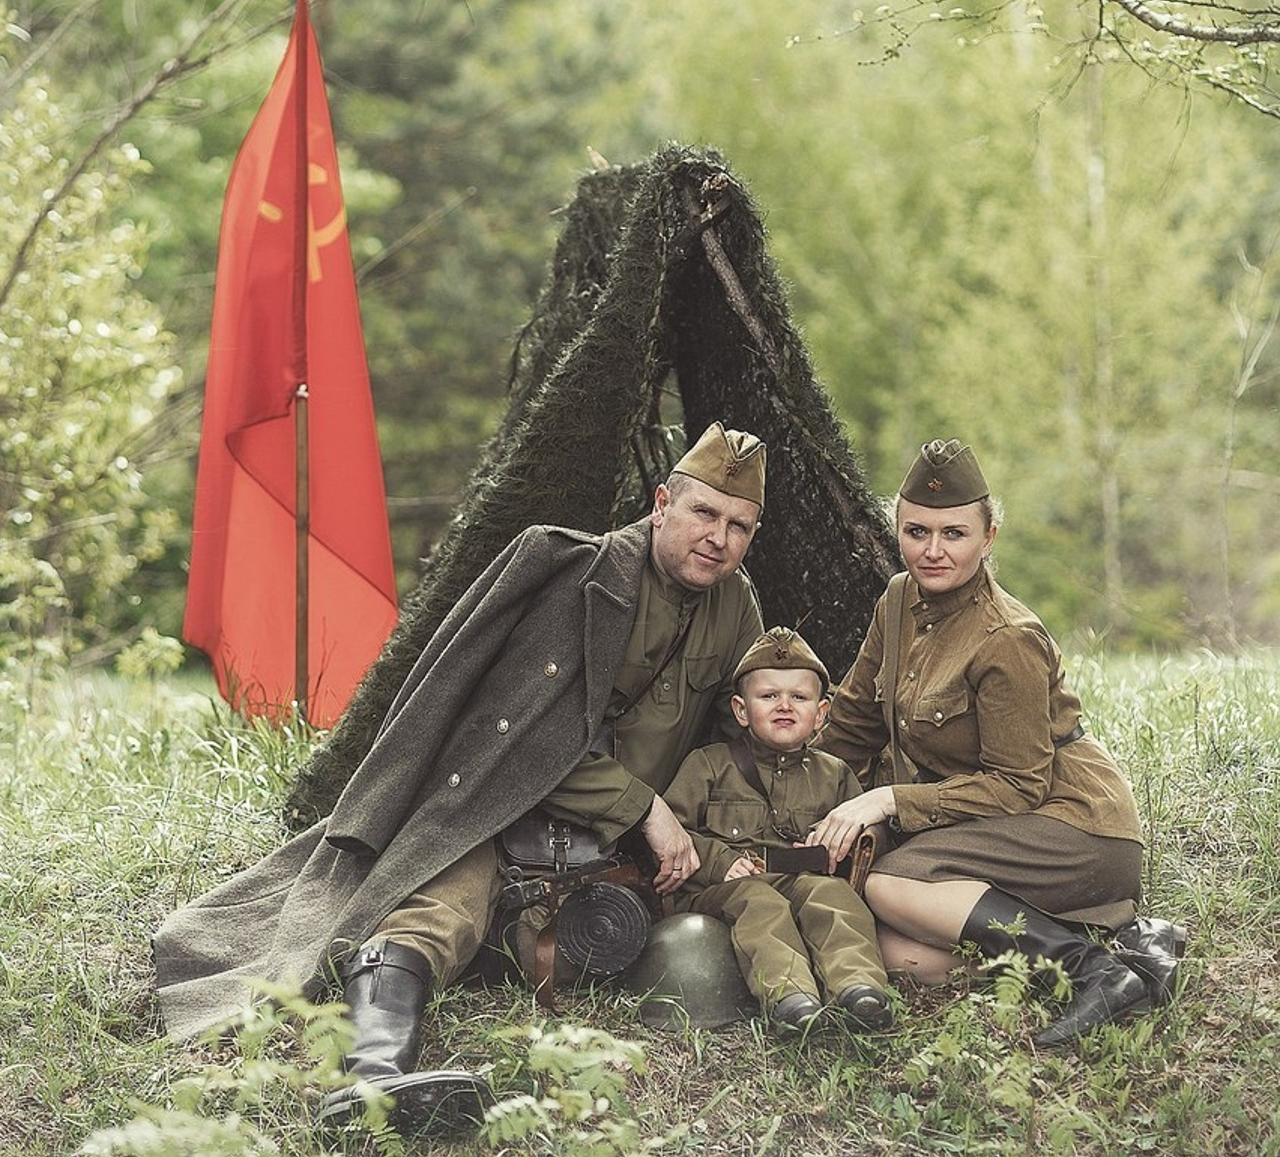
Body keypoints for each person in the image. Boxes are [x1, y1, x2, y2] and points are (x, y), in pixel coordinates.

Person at [153, 422, 767, 1135]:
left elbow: (741, 732)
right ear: (662, 504)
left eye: (739, 526)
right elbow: (512, 742)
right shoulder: (577, 576)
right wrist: (645, 806)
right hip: (498, 806)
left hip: (614, 852)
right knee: (437, 910)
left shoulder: (737, 609)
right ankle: (374, 1079)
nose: (718, 538)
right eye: (703, 513)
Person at [809, 439, 1185, 1049]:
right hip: (992, 822)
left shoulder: (1007, 637)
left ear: (988, 537)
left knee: (886, 883)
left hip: (1073, 825)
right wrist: (790, 791)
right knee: (895, 949)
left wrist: (884, 802)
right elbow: (853, 722)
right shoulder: (898, 600)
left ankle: (1093, 970)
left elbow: (1019, 785)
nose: (933, 551)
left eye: (954, 533)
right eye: (916, 531)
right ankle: (1120, 942)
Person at [662, 627, 892, 1036]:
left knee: (833, 897)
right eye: (768, 696)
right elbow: (672, 834)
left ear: (821, 714)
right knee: (760, 902)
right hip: (725, 889)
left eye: (799, 698)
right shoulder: (709, 765)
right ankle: (790, 997)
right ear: (741, 710)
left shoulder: (833, 774)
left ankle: (859, 988)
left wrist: (844, 843)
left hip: (802, 880)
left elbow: (868, 833)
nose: (784, 706)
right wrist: (720, 861)